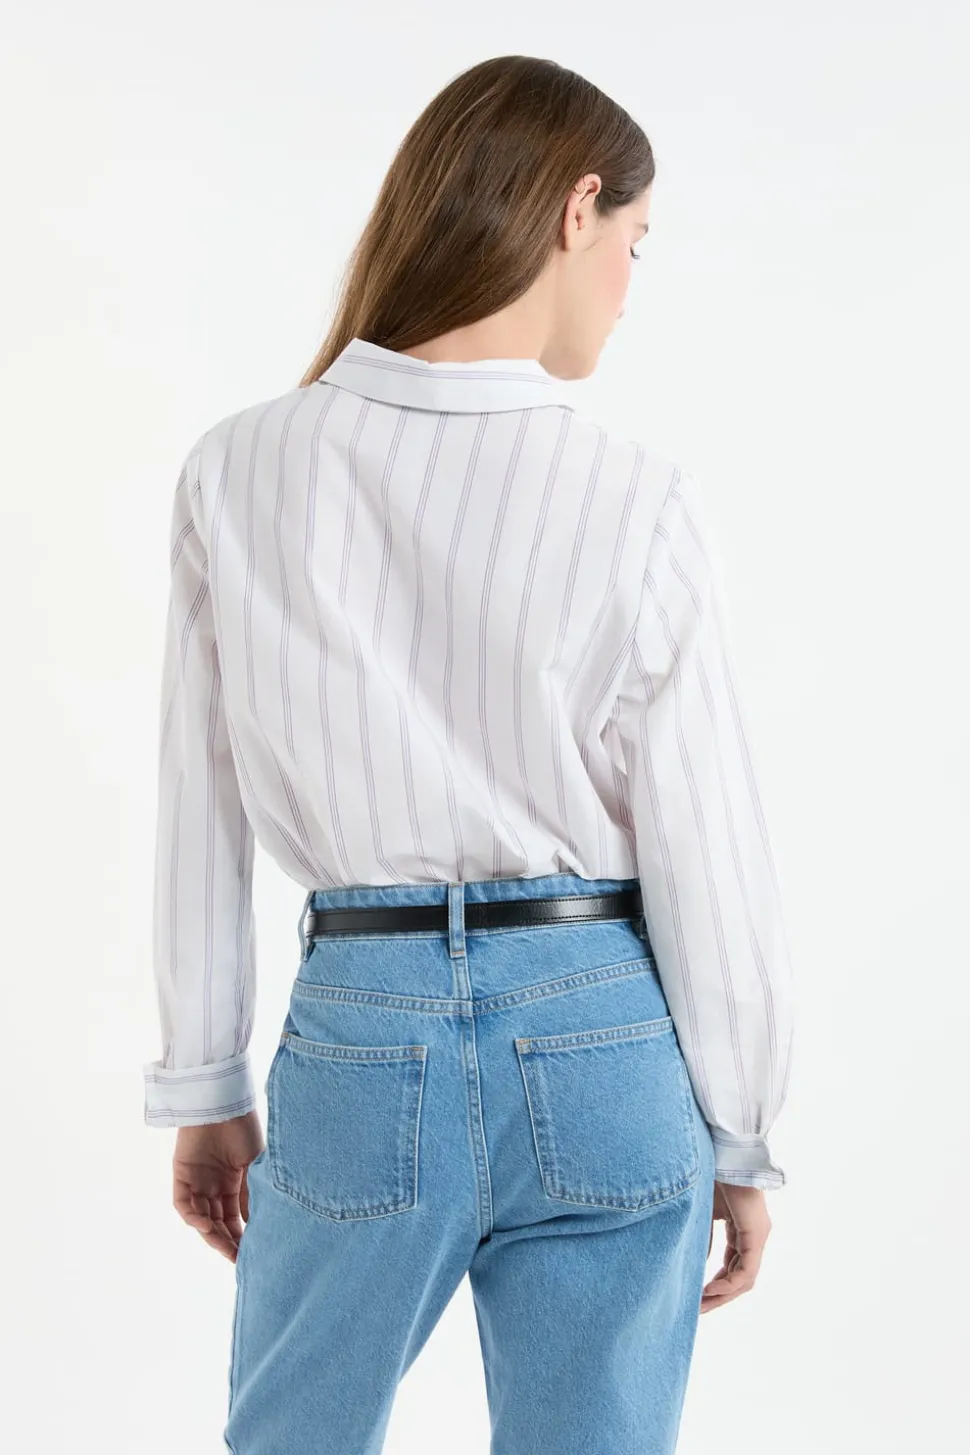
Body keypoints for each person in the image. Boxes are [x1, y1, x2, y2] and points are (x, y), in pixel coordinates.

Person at [142, 52, 794, 1455]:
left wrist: (205, 1082)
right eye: (635, 242)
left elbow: (198, 804)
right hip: (604, 1029)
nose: (629, 285)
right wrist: (741, 1132)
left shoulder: (237, 469)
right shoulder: (635, 494)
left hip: (362, 1030)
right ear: (575, 207)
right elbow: (708, 846)